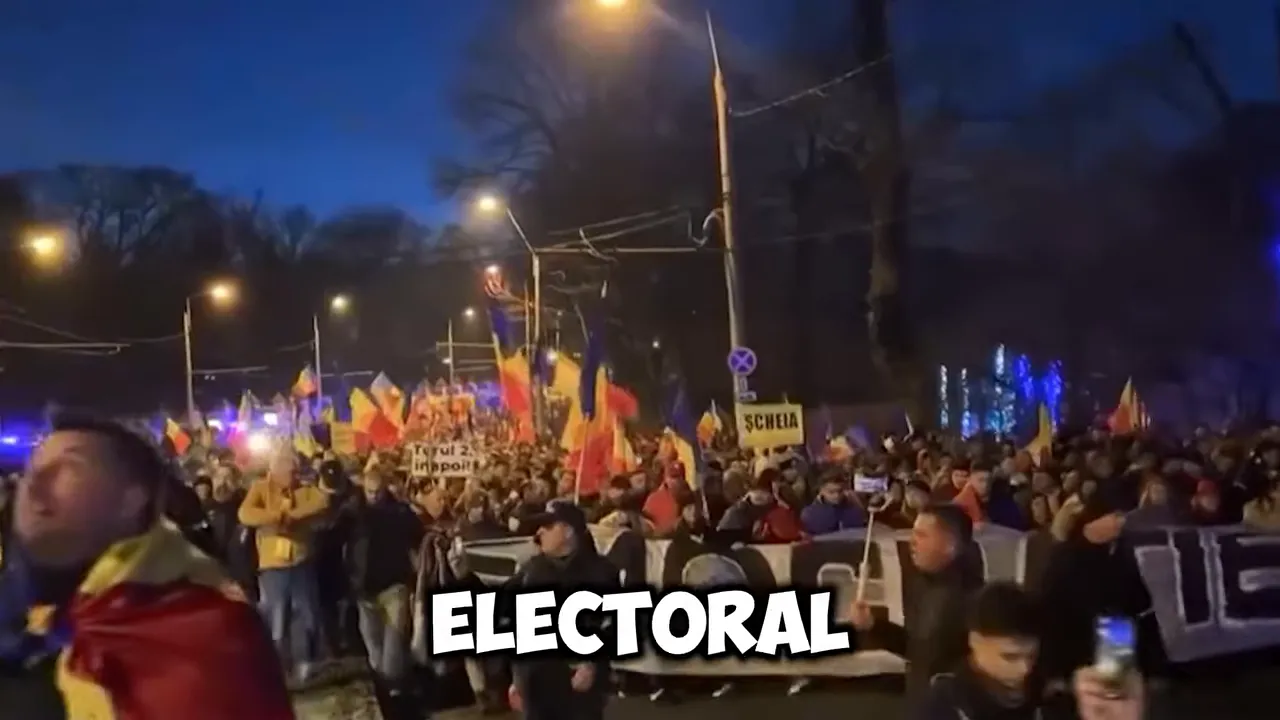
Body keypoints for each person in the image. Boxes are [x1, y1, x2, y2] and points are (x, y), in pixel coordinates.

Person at [0, 414, 293, 720]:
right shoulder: (20, 624)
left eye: (69, 468)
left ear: (132, 499)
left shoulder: (205, 633)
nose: (34, 484)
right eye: (32, 467)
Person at [850, 503, 981, 711]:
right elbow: (916, 649)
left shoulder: (972, 600)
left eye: (922, 535)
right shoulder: (924, 583)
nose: (911, 541)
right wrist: (873, 625)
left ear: (950, 545)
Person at [508, 501, 620, 720]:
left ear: (568, 531)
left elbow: (612, 624)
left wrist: (592, 664)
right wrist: (517, 679)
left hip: (578, 685)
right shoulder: (531, 570)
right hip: (537, 684)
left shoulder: (601, 572)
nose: (540, 532)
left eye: (548, 526)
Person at [238, 444, 330, 685]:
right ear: (275, 469)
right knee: (276, 620)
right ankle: (279, 668)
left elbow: (322, 502)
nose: (293, 474)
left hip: (301, 563)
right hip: (273, 568)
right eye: (288, 470)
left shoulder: (305, 489)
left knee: (307, 616)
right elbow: (245, 514)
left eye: (295, 469)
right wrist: (276, 516)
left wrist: (293, 515)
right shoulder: (260, 488)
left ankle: (305, 661)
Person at [916, 582, 1044, 720]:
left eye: (1032, 656)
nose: (1025, 669)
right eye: (1010, 657)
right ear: (975, 641)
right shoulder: (943, 707)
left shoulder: (1044, 699)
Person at [347, 471, 423, 692]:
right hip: (364, 586)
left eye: (378, 492)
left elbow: (417, 533)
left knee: (394, 636)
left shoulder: (399, 511)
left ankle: (392, 682)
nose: (374, 496)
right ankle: (383, 679)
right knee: (373, 639)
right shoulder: (353, 513)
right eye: (370, 492)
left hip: (394, 582)